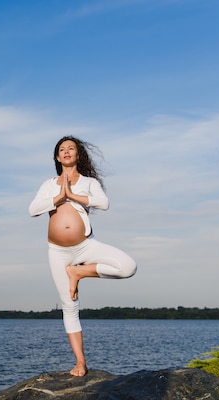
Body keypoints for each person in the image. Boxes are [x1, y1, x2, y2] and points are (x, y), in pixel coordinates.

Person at [29, 135, 137, 377]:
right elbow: (33, 210)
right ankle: (80, 362)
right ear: (57, 157)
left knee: (128, 266)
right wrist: (58, 196)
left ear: (78, 155)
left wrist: (72, 195)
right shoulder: (48, 185)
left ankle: (79, 272)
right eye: (62, 149)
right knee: (69, 305)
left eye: (71, 148)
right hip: (57, 252)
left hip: (86, 245)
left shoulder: (88, 182)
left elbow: (104, 203)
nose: (66, 151)